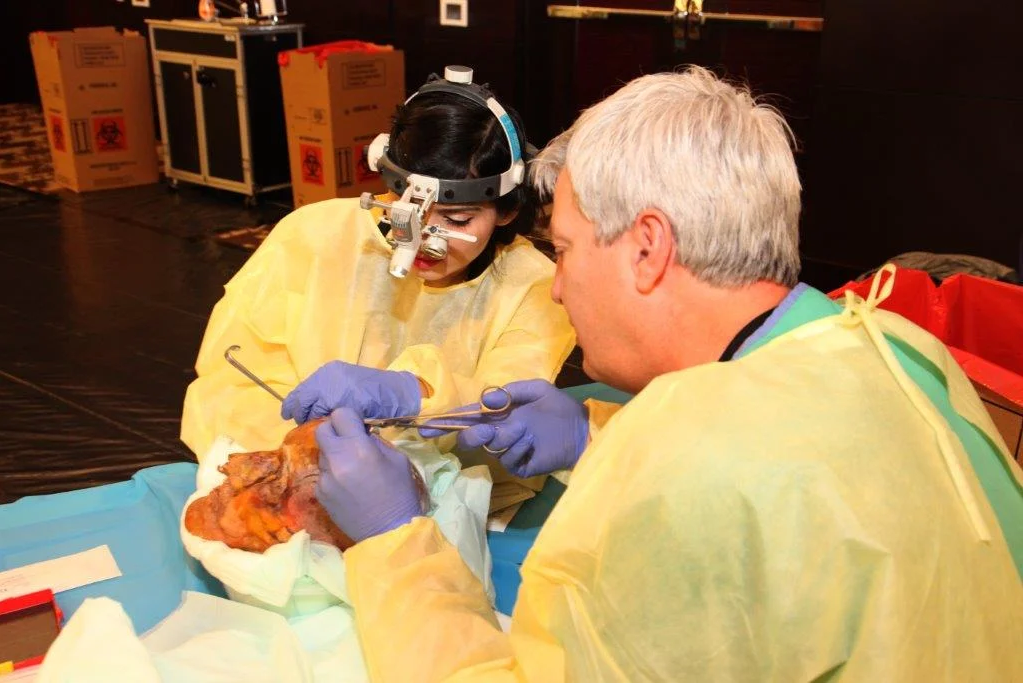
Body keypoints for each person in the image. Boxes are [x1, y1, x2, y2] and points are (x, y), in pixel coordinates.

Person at [312, 66, 1023, 680]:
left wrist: (393, 540)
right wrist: (594, 438)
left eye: (565, 250)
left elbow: (721, 491)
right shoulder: (898, 344)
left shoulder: (685, 481)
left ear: (648, 249)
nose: (557, 290)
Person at [180, 68, 575, 456]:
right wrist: (301, 453)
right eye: (406, 210)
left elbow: (513, 409)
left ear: (506, 210)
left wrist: (414, 393)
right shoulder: (314, 236)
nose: (423, 240)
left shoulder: (536, 287)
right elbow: (232, 381)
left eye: (456, 220)